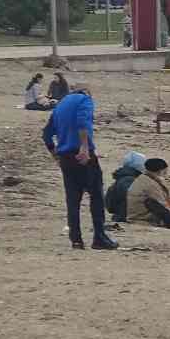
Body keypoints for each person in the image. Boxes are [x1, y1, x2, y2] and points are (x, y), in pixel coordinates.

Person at [43, 81, 118, 251]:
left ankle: (76, 240)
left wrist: (55, 155)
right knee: (96, 196)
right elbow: (82, 121)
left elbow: (46, 134)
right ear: (87, 92)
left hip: (66, 157)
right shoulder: (85, 100)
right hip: (83, 155)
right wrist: (84, 147)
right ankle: (99, 237)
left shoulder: (61, 105)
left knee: (73, 200)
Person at [126, 158, 170, 233]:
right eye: (165, 171)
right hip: (142, 218)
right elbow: (162, 205)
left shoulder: (143, 179)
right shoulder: (150, 185)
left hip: (137, 215)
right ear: (160, 171)